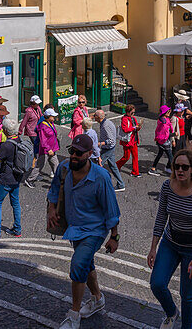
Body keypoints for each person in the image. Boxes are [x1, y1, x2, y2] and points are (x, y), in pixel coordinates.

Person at [47, 134, 121, 329]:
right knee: (87, 265)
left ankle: (74, 314)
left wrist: (114, 236)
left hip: (95, 230)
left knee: (78, 264)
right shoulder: (64, 169)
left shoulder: (101, 177)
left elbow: (111, 210)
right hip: (74, 228)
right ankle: (97, 299)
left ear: (89, 154)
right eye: (72, 151)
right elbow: (53, 191)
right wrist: (51, 210)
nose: (73, 156)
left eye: (79, 153)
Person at [148, 148, 192, 329]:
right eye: (177, 166)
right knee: (157, 283)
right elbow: (161, 218)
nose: (180, 170)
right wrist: (153, 247)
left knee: (188, 295)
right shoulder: (167, 187)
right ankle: (171, 312)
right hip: (170, 243)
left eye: (185, 167)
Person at [0, 118, 32, 239]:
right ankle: (17, 229)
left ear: (5, 131)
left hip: (6, 178)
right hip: (17, 177)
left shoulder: (6, 145)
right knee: (15, 203)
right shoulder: (19, 140)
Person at [94, 109, 126, 192]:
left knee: (98, 165)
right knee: (113, 166)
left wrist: (100, 144)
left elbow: (111, 140)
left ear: (98, 117)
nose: (94, 117)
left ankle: (97, 185)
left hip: (108, 149)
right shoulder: (106, 122)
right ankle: (121, 184)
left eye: (95, 116)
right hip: (110, 148)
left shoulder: (105, 125)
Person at [29, 108, 61, 186]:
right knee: (40, 165)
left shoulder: (51, 123)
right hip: (46, 150)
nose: (54, 117)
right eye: (52, 116)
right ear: (48, 116)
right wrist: (48, 149)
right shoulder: (43, 126)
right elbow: (43, 140)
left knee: (56, 164)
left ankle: (58, 181)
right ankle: (30, 180)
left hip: (52, 149)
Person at [149, 105, 177, 175]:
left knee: (160, 154)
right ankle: (175, 172)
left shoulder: (165, 119)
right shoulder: (163, 122)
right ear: (165, 112)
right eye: (168, 111)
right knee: (171, 157)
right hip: (164, 142)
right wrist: (174, 134)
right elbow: (165, 135)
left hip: (161, 141)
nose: (169, 112)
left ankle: (153, 168)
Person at [116, 104, 142, 178]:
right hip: (127, 141)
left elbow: (136, 127)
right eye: (132, 113)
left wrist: (138, 127)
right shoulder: (124, 119)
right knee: (126, 157)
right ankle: (117, 165)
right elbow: (125, 129)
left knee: (135, 156)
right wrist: (134, 128)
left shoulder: (133, 118)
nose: (133, 114)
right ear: (128, 112)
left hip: (134, 140)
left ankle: (135, 172)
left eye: (134, 112)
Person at [21, 95, 44, 172]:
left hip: (38, 130)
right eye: (36, 104)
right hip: (31, 131)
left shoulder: (38, 108)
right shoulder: (29, 111)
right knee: (37, 146)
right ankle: (34, 162)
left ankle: (35, 160)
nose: (38, 105)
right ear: (32, 103)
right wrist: (20, 130)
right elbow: (24, 121)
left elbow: (41, 116)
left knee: (37, 146)